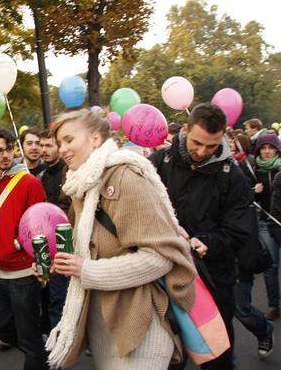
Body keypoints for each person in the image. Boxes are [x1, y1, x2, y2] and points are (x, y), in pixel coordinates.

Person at [40, 109, 196, 369]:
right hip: (103, 326)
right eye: (59, 143)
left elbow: (161, 258)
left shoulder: (124, 176)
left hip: (140, 325)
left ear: (95, 139)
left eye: (69, 140)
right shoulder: (82, 185)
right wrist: (59, 263)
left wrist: (86, 269)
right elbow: (87, 251)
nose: (62, 149)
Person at [150, 103, 252, 369]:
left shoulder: (233, 175)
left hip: (213, 277)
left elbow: (240, 228)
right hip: (164, 275)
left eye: (211, 146)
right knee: (169, 356)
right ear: (185, 130)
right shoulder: (160, 162)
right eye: (197, 143)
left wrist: (206, 242)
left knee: (217, 356)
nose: (202, 151)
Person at [0, 126, 48, 370]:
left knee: (30, 338)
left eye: (8, 149)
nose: (5, 155)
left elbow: (41, 224)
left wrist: (17, 242)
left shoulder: (29, 182)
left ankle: (37, 356)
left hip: (24, 272)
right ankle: (43, 354)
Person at [38, 130, 71, 330]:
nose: (43, 150)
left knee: (61, 295)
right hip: (47, 244)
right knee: (53, 295)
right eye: (41, 146)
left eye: (48, 145)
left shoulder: (68, 172)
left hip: (66, 240)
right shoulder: (41, 175)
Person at [252, 133, 281, 320]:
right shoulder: (254, 170)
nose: (267, 151)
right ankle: (274, 305)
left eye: (270, 148)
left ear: (277, 149)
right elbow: (244, 196)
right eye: (263, 148)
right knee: (271, 266)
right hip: (266, 222)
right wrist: (253, 191)